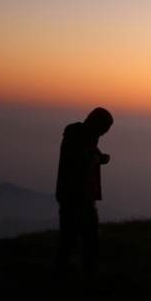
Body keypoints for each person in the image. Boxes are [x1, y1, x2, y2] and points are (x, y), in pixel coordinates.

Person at [54, 107, 113, 281]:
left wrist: (98, 158)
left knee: (92, 241)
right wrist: (96, 157)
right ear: (96, 122)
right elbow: (81, 162)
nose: (104, 133)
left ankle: (87, 276)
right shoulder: (74, 137)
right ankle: (60, 274)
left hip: (87, 196)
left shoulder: (88, 138)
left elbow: (90, 159)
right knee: (70, 239)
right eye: (104, 128)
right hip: (74, 196)